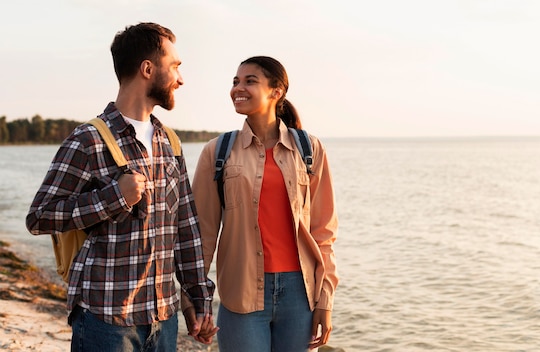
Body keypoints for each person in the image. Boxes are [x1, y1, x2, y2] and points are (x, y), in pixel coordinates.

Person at [25, 22, 218, 351]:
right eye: (175, 67)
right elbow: (40, 216)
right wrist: (114, 197)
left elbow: (186, 231)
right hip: (106, 321)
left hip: (163, 320)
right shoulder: (88, 139)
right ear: (147, 69)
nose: (181, 79)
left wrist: (199, 301)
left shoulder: (169, 142)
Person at [183, 56, 339, 351]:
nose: (237, 88)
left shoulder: (310, 149)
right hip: (241, 294)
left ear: (276, 92)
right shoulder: (217, 152)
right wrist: (194, 297)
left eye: (249, 81)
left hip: (300, 295)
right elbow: (201, 234)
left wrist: (325, 300)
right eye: (235, 81)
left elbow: (324, 232)